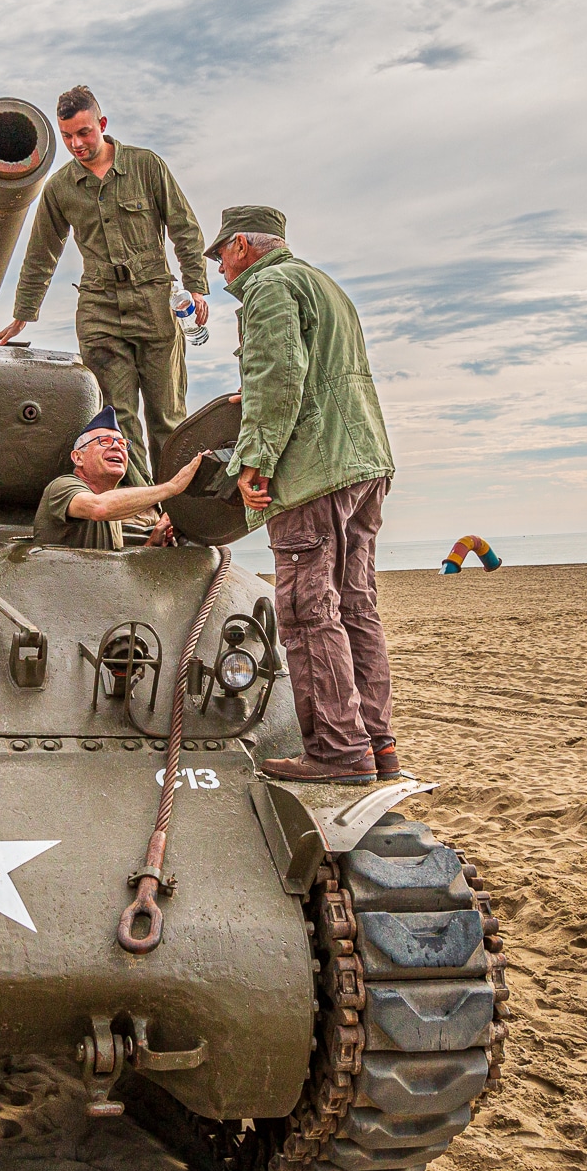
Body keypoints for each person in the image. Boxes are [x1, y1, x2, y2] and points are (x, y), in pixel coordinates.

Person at [209, 206, 398, 784]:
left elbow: (280, 373)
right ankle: (377, 746)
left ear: (242, 245)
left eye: (220, 254)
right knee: (354, 604)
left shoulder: (267, 286)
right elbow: (312, 371)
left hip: (312, 473)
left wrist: (256, 459)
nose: (218, 268)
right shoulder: (325, 286)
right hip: (364, 463)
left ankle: (338, 752)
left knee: (305, 611)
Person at [0, 86, 210, 487]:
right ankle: (144, 507)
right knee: (117, 420)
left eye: (84, 133)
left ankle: (178, 511)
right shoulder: (59, 188)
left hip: (156, 302)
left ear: (102, 125)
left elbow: (184, 228)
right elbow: (41, 254)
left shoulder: (146, 167)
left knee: (167, 417)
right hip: (99, 308)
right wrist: (22, 315)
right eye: (68, 136)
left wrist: (195, 286)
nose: (77, 144)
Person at [34, 406, 203, 549]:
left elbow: (111, 568)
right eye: (104, 441)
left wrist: (153, 543)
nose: (117, 447)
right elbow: (99, 508)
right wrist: (172, 487)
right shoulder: (62, 487)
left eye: (122, 444)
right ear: (78, 457)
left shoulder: (115, 506)